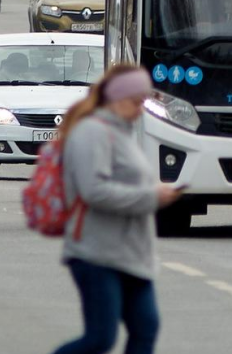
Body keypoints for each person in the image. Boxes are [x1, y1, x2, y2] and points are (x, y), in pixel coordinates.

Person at [53, 65, 183, 354]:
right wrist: (151, 197)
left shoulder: (123, 133)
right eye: (137, 102)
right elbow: (93, 191)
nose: (140, 110)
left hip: (131, 255)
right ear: (117, 98)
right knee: (100, 338)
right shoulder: (91, 132)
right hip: (97, 254)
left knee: (145, 329)